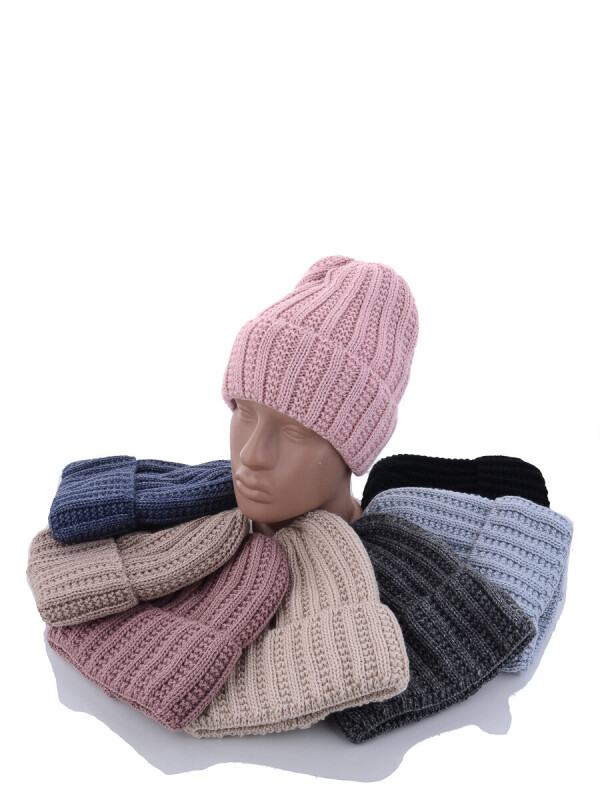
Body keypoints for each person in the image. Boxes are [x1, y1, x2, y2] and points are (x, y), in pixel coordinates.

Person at [221, 254, 419, 535]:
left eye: (294, 433)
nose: (251, 455)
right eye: (244, 413)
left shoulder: (397, 557)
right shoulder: (186, 531)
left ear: (358, 445)